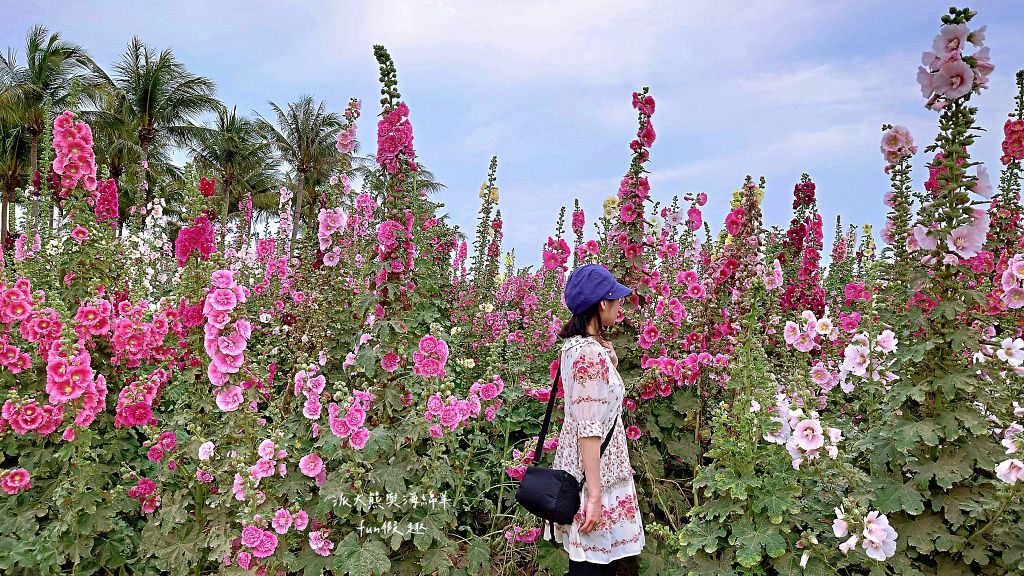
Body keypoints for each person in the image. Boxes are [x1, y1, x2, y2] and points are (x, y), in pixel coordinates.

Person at [543, 264, 645, 575]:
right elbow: (589, 428)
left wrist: (610, 361)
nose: (620, 306)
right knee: (591, 564)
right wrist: (596, 496)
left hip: (582, 467)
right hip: (594, 473)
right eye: (617, 299)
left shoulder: (575, 347)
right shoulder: (590, 354)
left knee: (590, 559)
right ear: (602, 304)